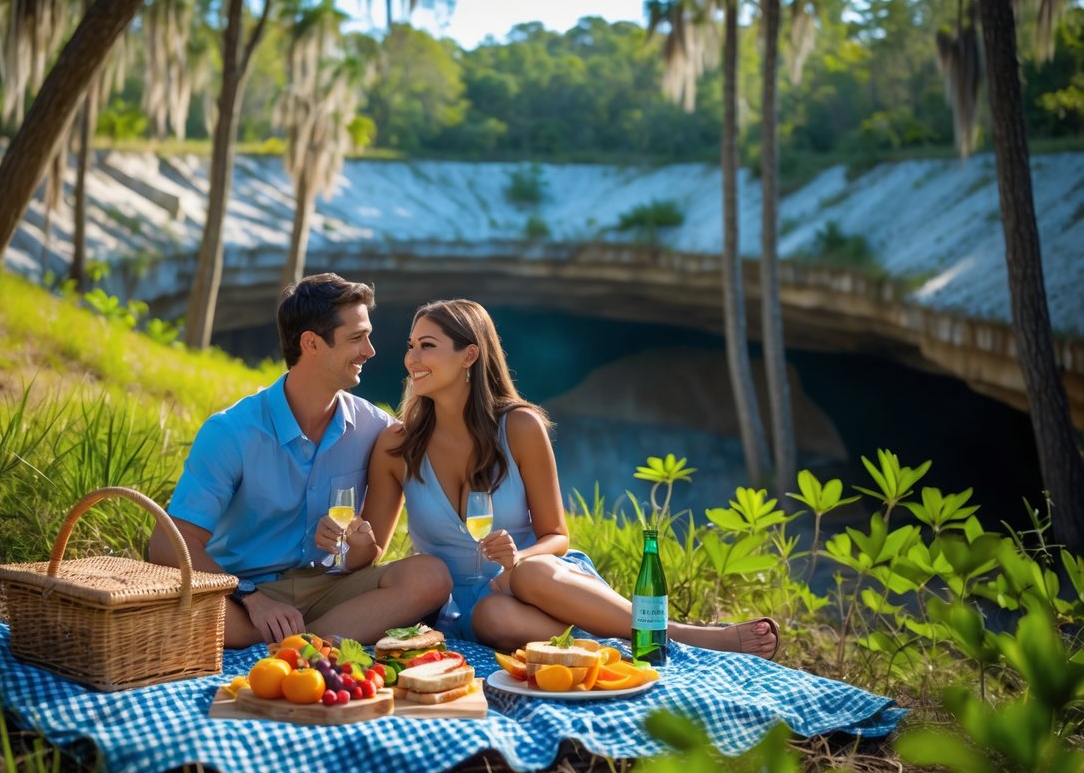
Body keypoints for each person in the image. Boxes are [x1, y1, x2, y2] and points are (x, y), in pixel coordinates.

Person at [362, 299, 780, 658]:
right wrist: (342, 543)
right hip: (469, 608)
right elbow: (371, 549)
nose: (412, 360)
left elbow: (556, 535)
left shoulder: (521, 426)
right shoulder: (397, 445)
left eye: (427, 347)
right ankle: (609, 640)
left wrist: (517, 559)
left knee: (531, 573)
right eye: (411, 346)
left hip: (541, 582)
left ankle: (684, 636)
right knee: (491, 617)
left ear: (469, 355)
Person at [150, 274, 452, 648]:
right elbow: (167, 544)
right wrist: (251, 598)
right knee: (178, 609)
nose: (370, 350)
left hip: (332, 592)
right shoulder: (231, 432)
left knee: (431, 577)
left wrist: (356, 546)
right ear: (310, 343)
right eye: (356, 338)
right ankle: (310, 637)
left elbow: (367, 556)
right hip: (243, 594)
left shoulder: (376, 429)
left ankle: (302, 643)